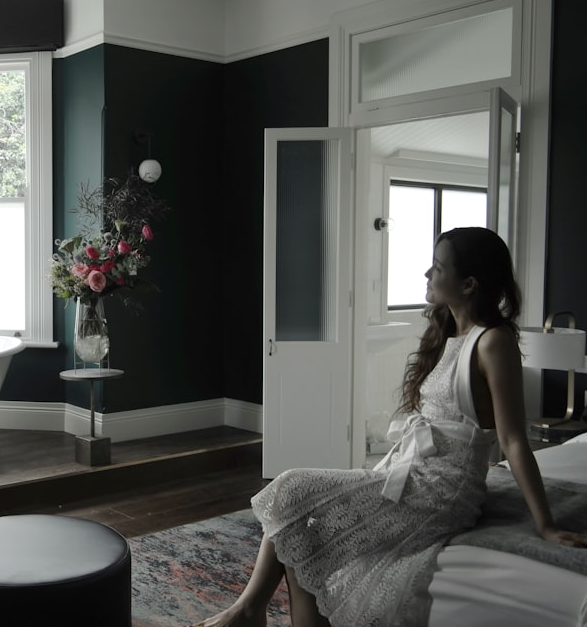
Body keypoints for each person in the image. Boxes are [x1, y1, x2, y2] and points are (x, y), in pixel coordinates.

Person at [194, 227, 587, 627]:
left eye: (437, 267)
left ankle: (247, 610)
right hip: (412, 474)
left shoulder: (491, 342)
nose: (426, 275)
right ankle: (251, 610)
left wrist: (546, 524)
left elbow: (513, 439)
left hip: (442, 491)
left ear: (468, 284)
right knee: (301, 528)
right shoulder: (451, 334)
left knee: (292, 488)